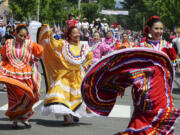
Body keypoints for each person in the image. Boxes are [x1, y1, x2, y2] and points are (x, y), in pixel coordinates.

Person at [81, 48, 180, 135]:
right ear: (149, 29)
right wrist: (120, 85)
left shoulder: (166, 45)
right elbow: (128, 68)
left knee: (163, 120)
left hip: (163, 90)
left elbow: (173, 64)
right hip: (144, 92)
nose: (159, 31)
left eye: (161, 28)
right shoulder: (142, 46)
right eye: (156, 28)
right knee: (144, 122)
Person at [39, 25, 94, 124]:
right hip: (64, 73)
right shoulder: (64, 44)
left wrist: (85, 65)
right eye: (75, 33)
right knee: (60, 92)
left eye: (78, 32)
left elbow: (90, 57)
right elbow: (53, 43)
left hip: (78, 75)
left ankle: (74, 113)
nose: (78, 35)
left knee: (76, 96)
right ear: (70, 35)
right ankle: (65, 116)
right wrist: (50, 34)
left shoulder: (84, 46)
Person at [0, 24, 43, 128]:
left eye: (25, 36)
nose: (23, 38)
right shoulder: (9, 43)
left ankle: (25, 118)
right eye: (20, 35)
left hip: (26, 74)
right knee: (13, 98)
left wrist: (34, 59)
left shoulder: (29, 44)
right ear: (15, 34)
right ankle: (15, 120)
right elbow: (4, 57)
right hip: (12, 74)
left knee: (27, 96)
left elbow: (39, 52)